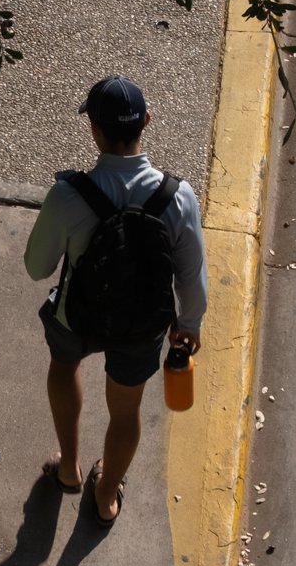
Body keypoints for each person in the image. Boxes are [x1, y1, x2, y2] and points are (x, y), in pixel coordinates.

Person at [24, 75, 208, 526]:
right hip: (142, 327)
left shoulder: (68, 196)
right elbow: (192, 277)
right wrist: (189, 324)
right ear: (146, 121)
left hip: (76, 318)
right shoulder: (177, 197)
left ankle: (68, 467)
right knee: (126, 410)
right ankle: (106, 497)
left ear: (94, 129)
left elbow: (36, 267)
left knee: (65, 366)